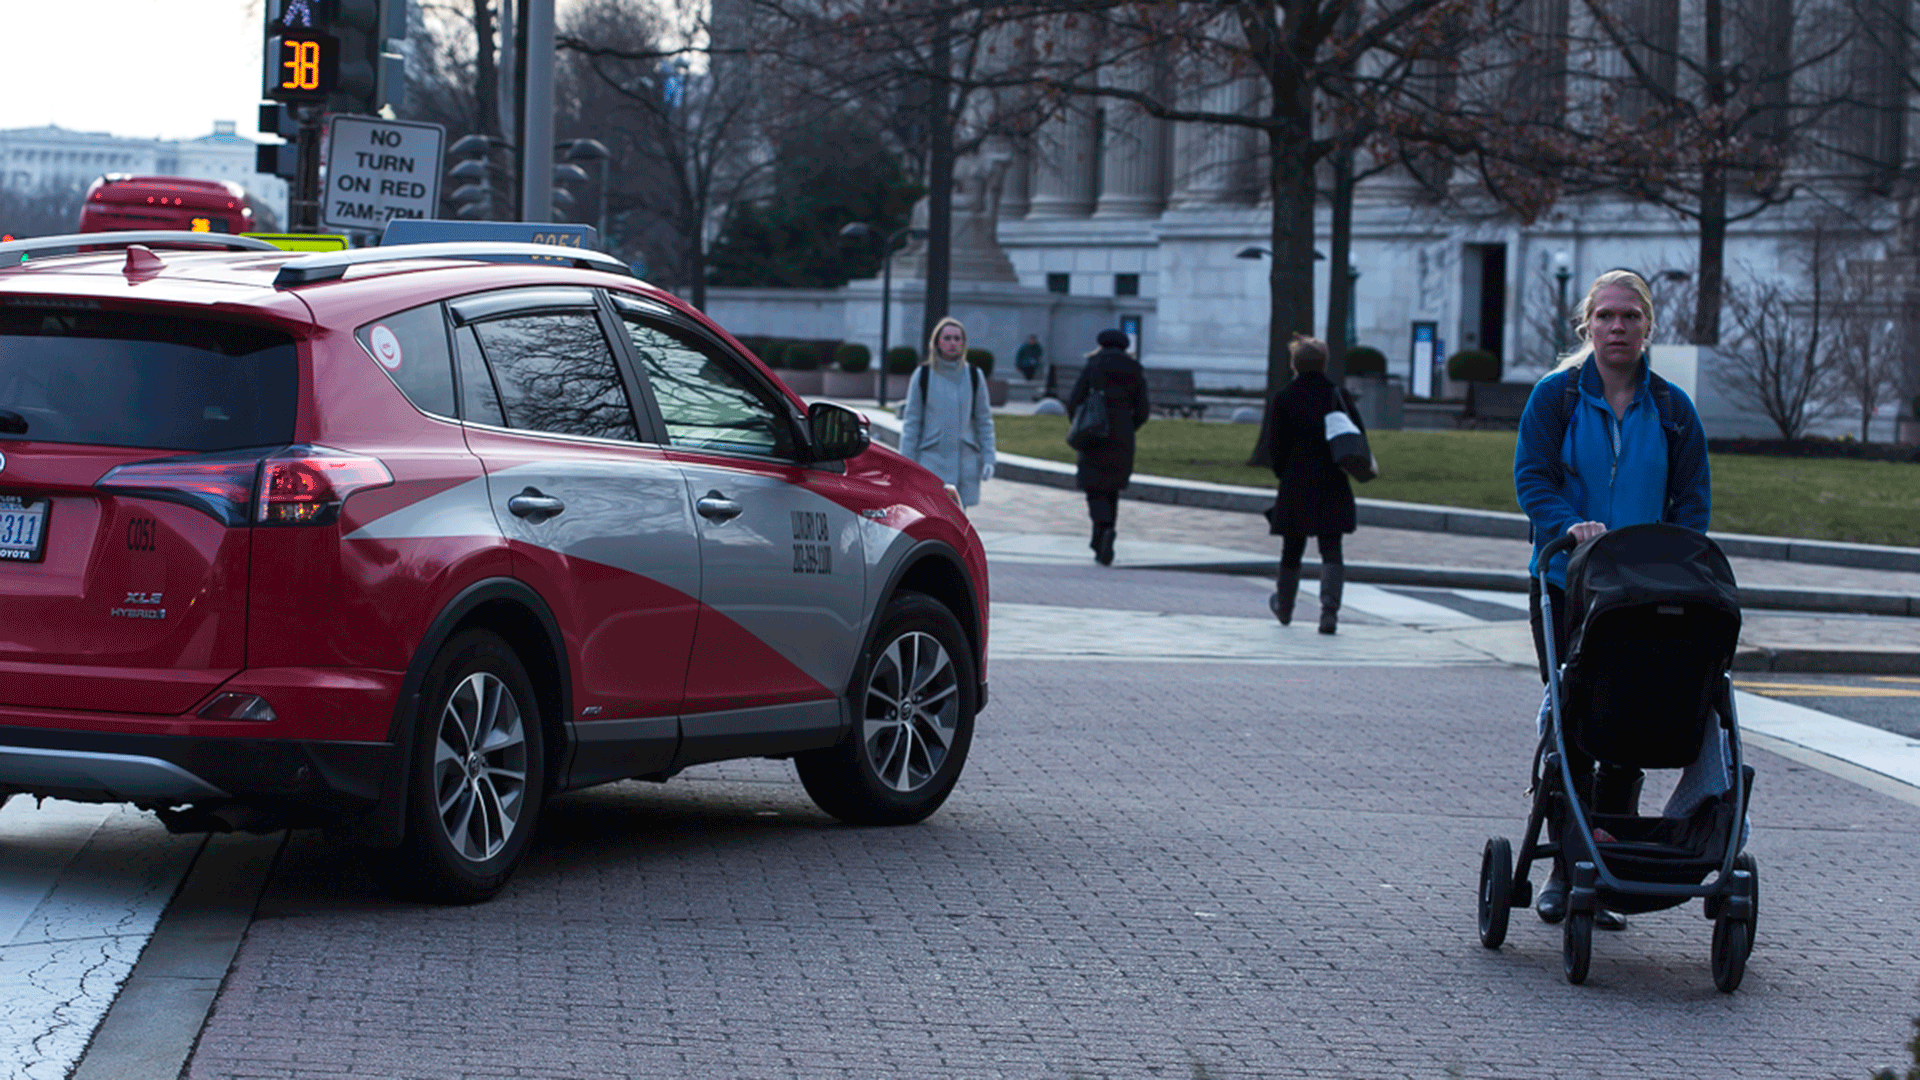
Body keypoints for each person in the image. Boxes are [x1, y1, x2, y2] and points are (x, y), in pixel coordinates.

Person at [1513, 268, 1712, 932]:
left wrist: (1673, 552)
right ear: (1587, 326)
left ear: (1649, 326)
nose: (1617, 327)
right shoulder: (1556, 398)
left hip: (1644, 594)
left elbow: (1693, 502)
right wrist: (1567, 525)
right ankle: (1565, 869)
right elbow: (1532, 477)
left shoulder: (1674, 411)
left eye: (1630, 317)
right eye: (1605, 316)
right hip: (1570, 586)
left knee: (1630, 726)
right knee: (1575, 724)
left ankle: (1611, 863)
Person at [1264, 335, 1359, 634]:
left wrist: (1283, 473)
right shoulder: (1337, 395)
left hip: (1296, 480)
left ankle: (1285, 606)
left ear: (1295, 364)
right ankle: (1329, 610)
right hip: (1332, 478)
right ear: (1324, 363)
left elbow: (1274, 447)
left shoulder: (1284, 398)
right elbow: (1356, 435)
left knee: (1291, 548)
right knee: (1331, 548)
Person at [1067, 329, 1151, 565]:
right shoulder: (1135, 370)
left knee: (1094, 487)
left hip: (1094, 433)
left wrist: (1081, 424)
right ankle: (1108, 530)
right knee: (1112, 489)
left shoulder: (1094, 365)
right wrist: (1128, 425)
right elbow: (1143, 410)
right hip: (1122, 435)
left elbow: (1075, 400)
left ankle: (1101, 531)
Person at [899, 315, 997, 508]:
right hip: (931, 461)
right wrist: (906, 464)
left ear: (963, 343)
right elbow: (912, 423)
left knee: (959, 521)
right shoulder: (923, 375)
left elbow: (984, 420)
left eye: (957, 338)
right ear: (937, 342)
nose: (952, 343)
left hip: (964, 462)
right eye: (947, 338)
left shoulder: (974, 375)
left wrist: (989, 458)